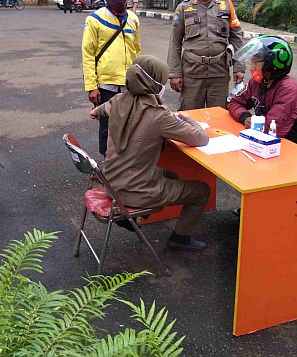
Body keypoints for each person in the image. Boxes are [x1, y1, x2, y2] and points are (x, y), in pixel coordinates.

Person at [90, 55, 210, 251]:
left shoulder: (118, 100)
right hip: (135, 190)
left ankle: (134, 217)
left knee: (170, 175)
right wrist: (188, 119)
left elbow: (99, 111)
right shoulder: (158, 116)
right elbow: (201, 139)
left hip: (111, 181)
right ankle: (180, 238)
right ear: (152, 83)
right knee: (201, 191)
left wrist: (97, 113)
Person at [227, 36, 297, 153]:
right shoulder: (257, 83)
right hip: (269, 144)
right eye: (251, 61)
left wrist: (253, 123)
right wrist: (245, 117)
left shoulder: (289, 88)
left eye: (256, 62)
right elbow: (234, 102)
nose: (252, 66)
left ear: (272, 64)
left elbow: (272, 129)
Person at [167, 0, 245, 110]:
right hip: (192, 73)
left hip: (219, 73)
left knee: (219, 117)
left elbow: (236, 37)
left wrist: (239, 67)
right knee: (190, 119)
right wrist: (175, 73)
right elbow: (175, 43)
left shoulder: (225, 4)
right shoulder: (183, 8)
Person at [82, 0, 141, 156]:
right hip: (106, 86)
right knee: (107, 128)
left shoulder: (133, 19)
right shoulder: (94, 20)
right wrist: (92, 86)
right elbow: (88, 54)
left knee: (132, 125)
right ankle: (108, 167)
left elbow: (137, 52)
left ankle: (127, 164)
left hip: (130, 85)